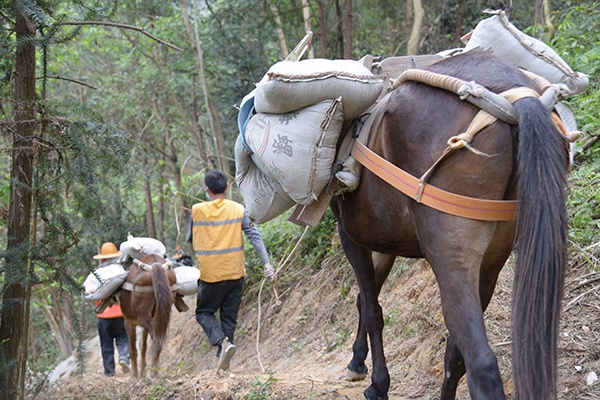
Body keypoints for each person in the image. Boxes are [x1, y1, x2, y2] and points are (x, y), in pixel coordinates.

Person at [187, 169, 274, 371]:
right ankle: (224, 360)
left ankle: (221, 344)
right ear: (227, 187)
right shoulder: (238, 209)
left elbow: (190, 238)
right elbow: (254, 236)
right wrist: (267, 263)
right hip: (235, 273)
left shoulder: (196, 210)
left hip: (210, 274)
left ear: (206, 190)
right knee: (229, 317)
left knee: (204, 312)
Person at [93, 242, 131, 377]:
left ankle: (109, 371)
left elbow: (91, 293)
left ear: (102, 259)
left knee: (106, 344)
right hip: (121, 314)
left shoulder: (96, 274)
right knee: (123, 338)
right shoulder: (120, 272)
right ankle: (124, 357)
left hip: (103, 317)